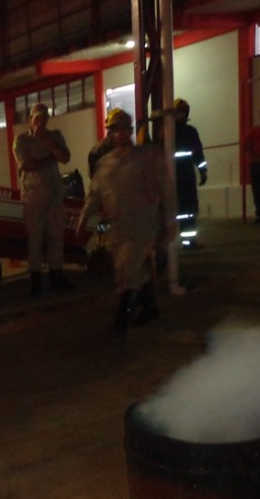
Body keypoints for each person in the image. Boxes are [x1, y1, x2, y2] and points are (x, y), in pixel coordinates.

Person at [74, 109, 177, 334]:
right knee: (129, 267)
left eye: (123, 129)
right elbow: (95, 194)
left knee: (128, 271)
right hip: (116, 226)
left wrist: (171, 221)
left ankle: (121, 321)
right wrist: (84, 218)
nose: (119, 134)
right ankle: (150, 307)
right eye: (115, 130)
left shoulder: (146, 158)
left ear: (130, 131)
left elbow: (166, 190)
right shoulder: (105, 164)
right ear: (110, 133)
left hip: (141, 223)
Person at [12, 102, 73, 295]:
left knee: (56, 236)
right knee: (35, 240)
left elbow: (65, 157)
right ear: (30, 119)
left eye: (44, 118)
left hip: (54, 194)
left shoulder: (55, 136)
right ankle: (36, 280)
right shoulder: (21, 140)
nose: (41, 122)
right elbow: (27, 165)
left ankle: (56, 275)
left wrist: (47, 142)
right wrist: (50, 158)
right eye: (37, 118)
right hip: (32, 197)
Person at [172, 98, 207, 244]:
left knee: (188, 209)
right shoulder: (165, 131)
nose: (181, 114)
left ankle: (188, 241)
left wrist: (203, 171)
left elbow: (198, 153)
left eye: (183, 111)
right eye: (178, 111)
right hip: (170, 175)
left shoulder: (190, 131)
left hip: (186, 174)